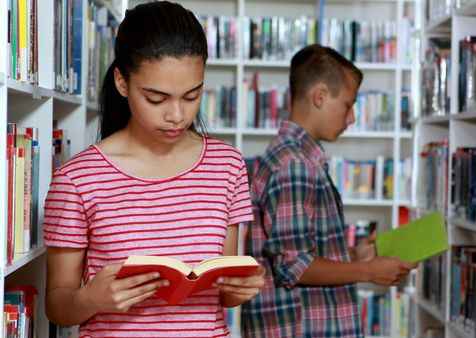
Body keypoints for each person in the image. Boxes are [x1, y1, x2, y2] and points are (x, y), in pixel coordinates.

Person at [43, 2, 264, 337]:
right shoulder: (78, 178)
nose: (176, 115)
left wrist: (239, 289)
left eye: (192, 96)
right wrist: (91, 299)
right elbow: (57, 306)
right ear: (122, 82)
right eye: (156, 99)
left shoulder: (227, 165)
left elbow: (223, 293)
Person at [241, 44, 417, 338]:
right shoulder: (294, 165)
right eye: (348, 105)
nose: (352, 118)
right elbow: (293, 266)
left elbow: (298, 249)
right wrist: (370, 271)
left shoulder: (298, 159)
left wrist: (352, 254)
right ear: (320, 96)